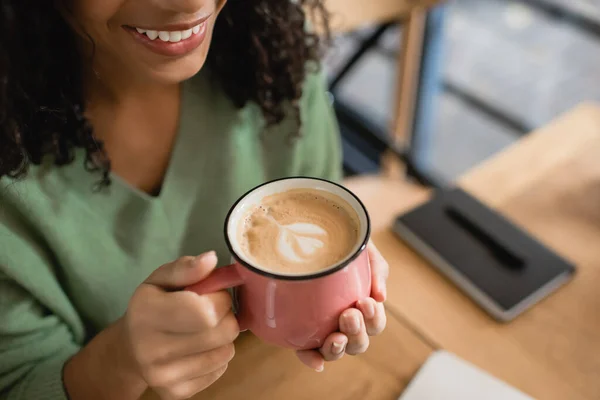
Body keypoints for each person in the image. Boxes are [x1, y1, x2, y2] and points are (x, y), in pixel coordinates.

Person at [0, 0, 389, 399]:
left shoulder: (275, 62)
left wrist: (337, 290)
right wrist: (120, 360)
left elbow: (326, 196)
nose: (189, 3)